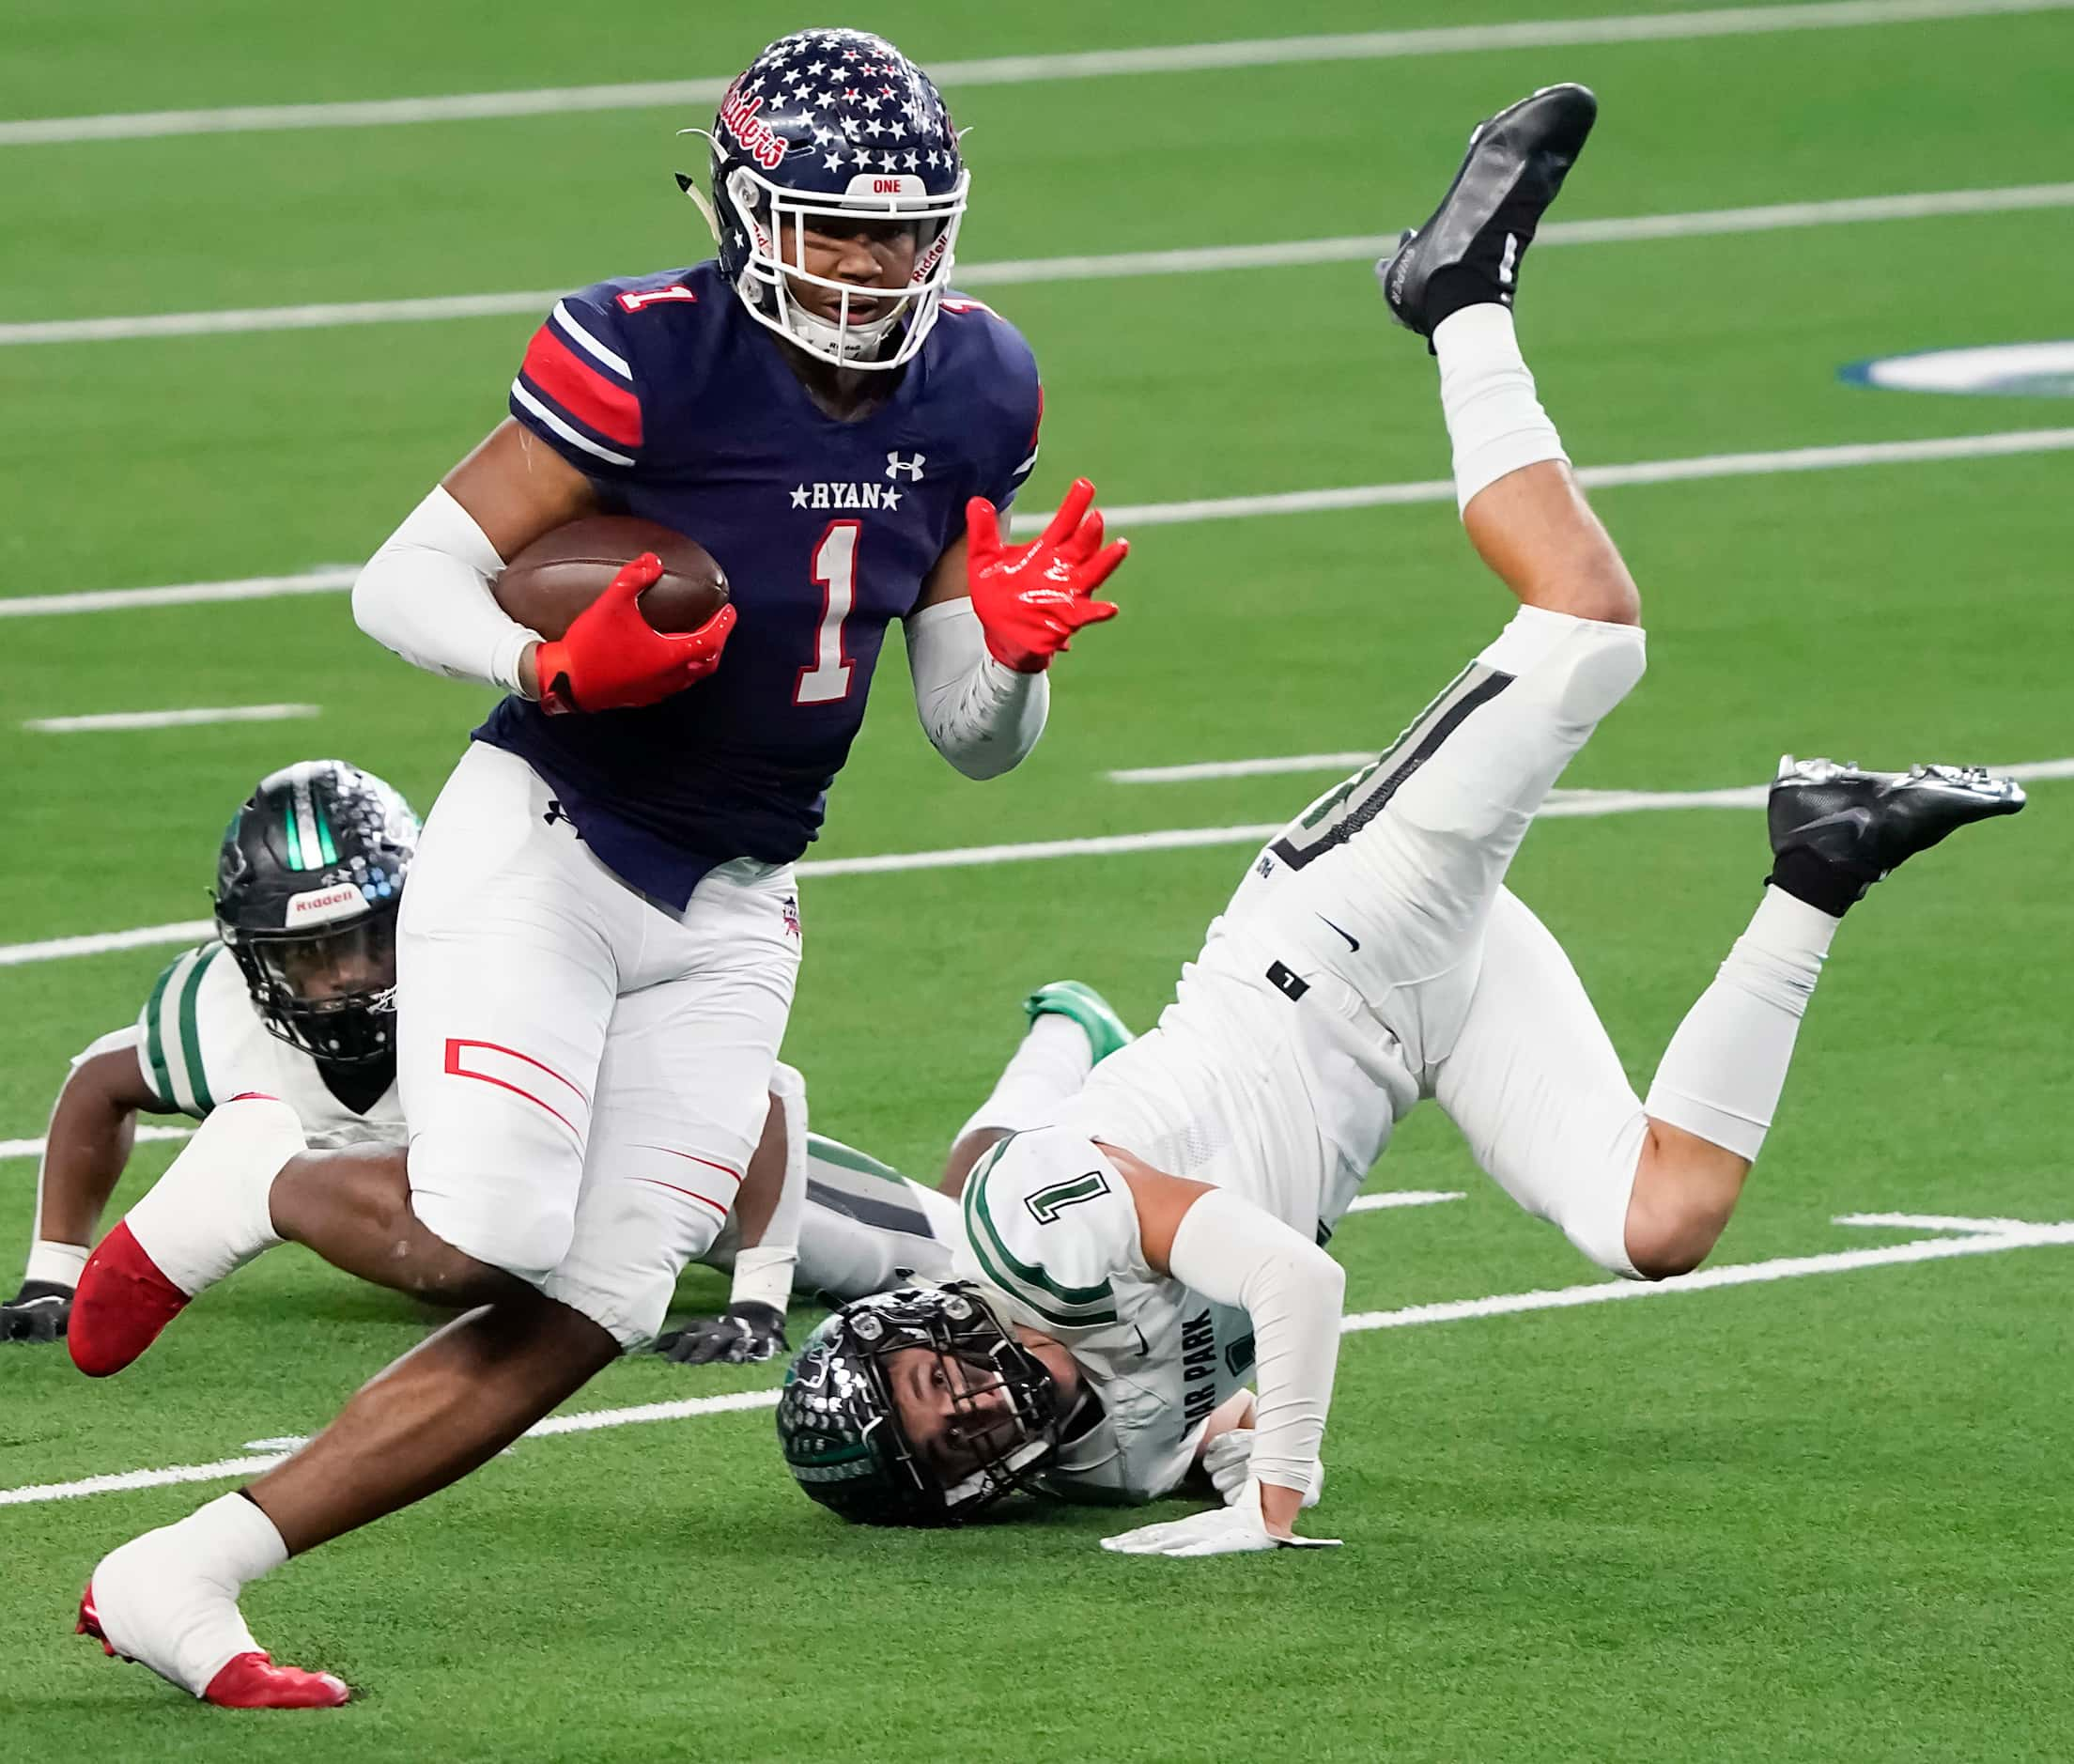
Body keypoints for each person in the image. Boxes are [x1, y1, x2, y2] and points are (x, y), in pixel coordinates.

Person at [771, 85, 2026, 1546]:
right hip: (1427, 1021)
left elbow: (1296, 1287)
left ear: (927, 1317)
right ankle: (1823, 856)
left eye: (932, 1383)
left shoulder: (1027, 1232)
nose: (970, 1412)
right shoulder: (1098, 1458)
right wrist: (1240, 1452)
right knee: (1658, 1225)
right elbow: (1215, 1414)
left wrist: (1277, 1498)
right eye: (943, 1444)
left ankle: (1456, 302)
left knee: (1590, 625)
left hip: (1334, 930)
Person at [66, 27, 1125, 1709]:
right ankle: (258, 1165)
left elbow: (969, 735)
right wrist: (545, 667)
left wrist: (1013, 655)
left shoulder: (982, 382)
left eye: (904, 227)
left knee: (597, 1303)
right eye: (833, 227)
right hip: (549, 840)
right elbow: (403, 578)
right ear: (744, 210)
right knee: (481, 1231)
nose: (870, 265)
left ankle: (179, 1570)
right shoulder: (644, 353)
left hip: (738, 898)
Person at [2, 761, 412, 1344]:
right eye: (308, 956)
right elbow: (99, 1084)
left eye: (368, 940)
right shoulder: (221, 1019)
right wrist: (53, 1276)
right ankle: (253, 1187)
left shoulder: (496, 991)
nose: (345, 975)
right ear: (253, 960)